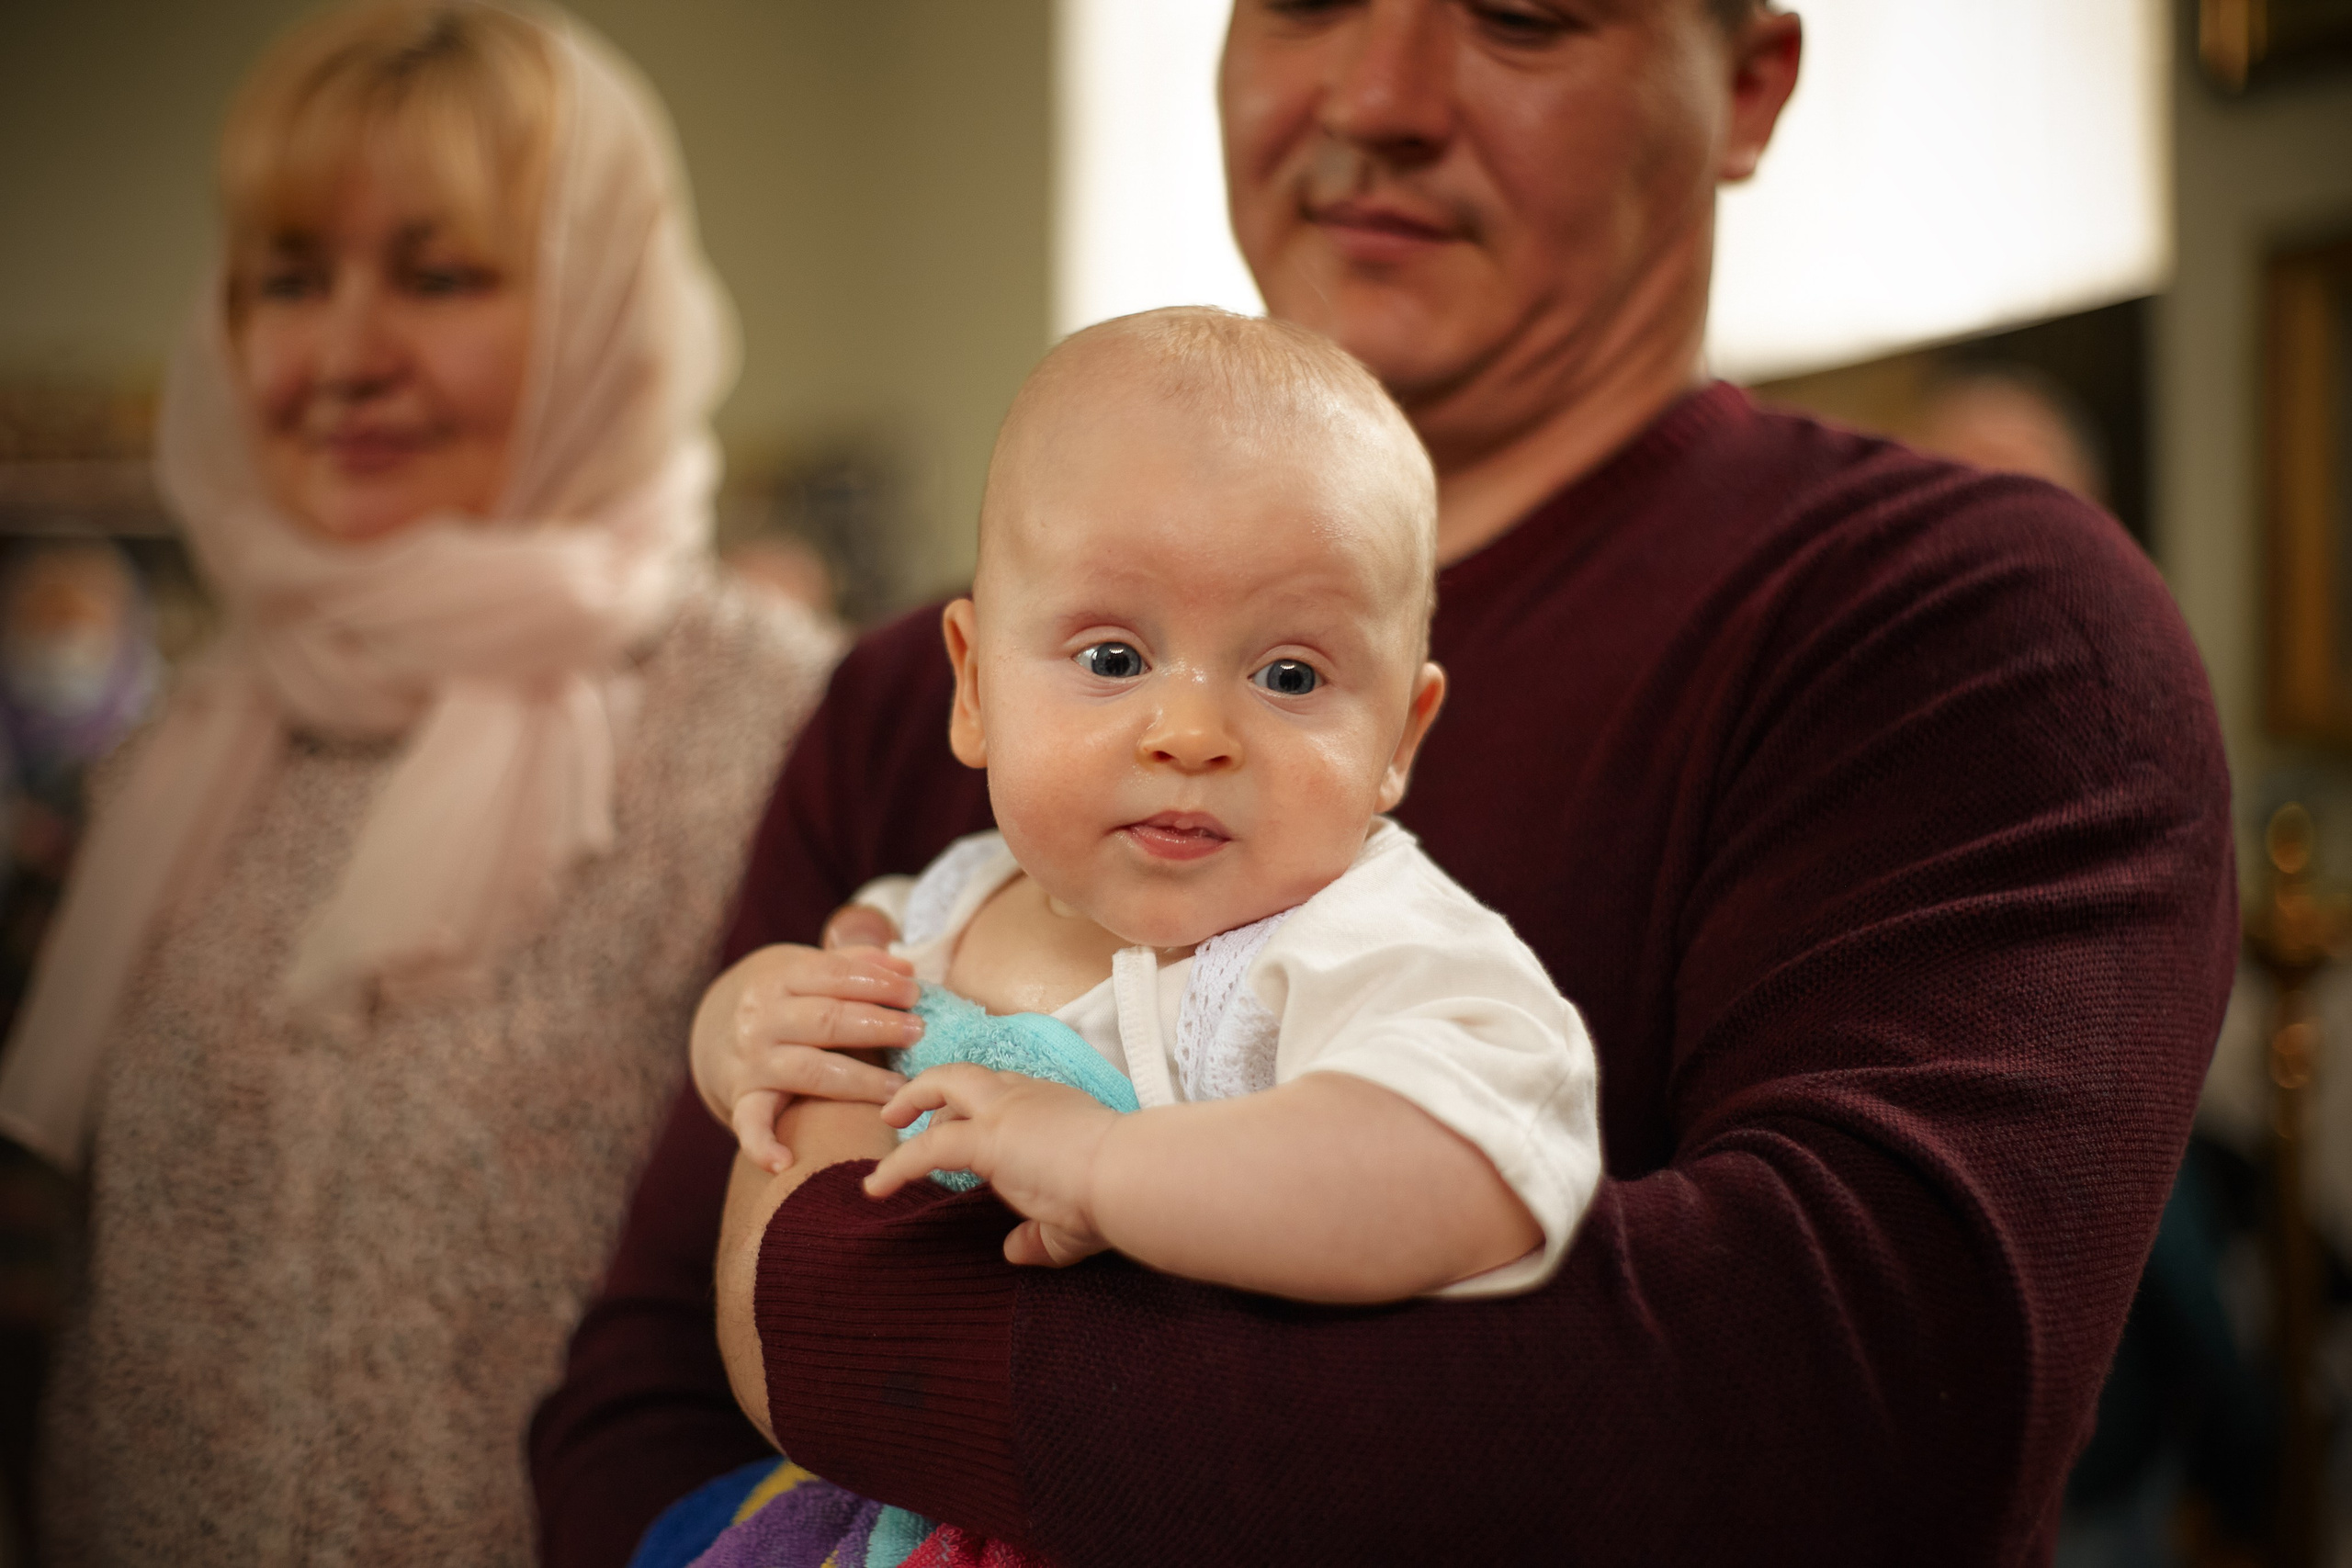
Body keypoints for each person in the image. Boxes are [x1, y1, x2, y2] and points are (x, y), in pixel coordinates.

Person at [533, 3, 2238, 1563]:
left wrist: (843, 1315)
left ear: (1751, 82)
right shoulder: (916, 698)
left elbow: (1847, 1416)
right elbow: (643, 1392)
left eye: (1518, 14)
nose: (1374, 95)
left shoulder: (1970, 626)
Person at [0, 3, 838, 1561]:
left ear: (605, 311)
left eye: (440, 276)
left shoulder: (782, 726)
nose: (344, 355)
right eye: (290, 280)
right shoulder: (177, 748)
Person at [671, 306, 1601, 1568]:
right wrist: (745, 1020)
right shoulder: (944, 898)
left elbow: (1473, 1168)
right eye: (1113, 656)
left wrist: (1106, 1172)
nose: (1190, 731)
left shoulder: (1362, 940)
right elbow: (808, 1019)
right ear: (977, 684)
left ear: (1400, 737)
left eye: (1288, 676)